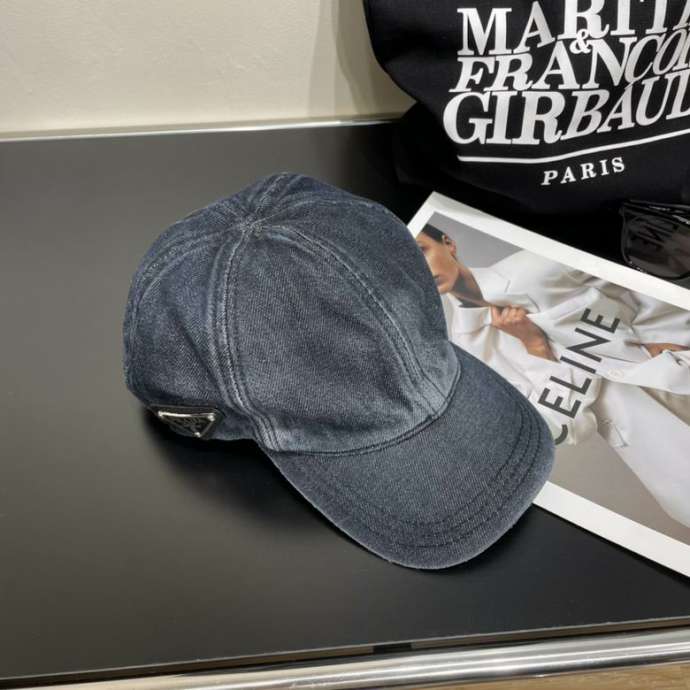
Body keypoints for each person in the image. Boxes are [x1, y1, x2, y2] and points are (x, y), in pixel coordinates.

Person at [416, 225, 690, 527]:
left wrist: (659, 338)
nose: (420, 270)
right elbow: (560, 427)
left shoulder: (539, 266)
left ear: (448, 243)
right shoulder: (469, 350)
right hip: (653, 443)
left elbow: (650, 277)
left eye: (421, 251)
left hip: (678, 374)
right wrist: (536, 347)